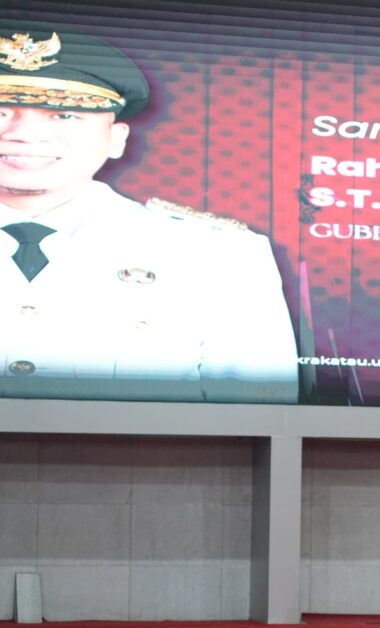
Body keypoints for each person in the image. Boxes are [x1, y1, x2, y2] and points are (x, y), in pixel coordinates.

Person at [0, 24, 298, 402]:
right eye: (2, 112)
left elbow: (261, 417)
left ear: (117, 139)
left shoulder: (219, 255)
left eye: (65, 115)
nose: (23, 134)